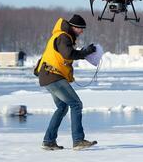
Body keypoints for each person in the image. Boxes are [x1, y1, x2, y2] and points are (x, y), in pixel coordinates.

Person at [35, 14, 97, 150]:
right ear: (74, 27)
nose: (82, 31)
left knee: (62, 107)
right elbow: (68, 54)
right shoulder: (63, 36)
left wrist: (82, 52)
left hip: (47, 76)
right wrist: (84, 52)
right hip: (53, 76)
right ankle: (78, 140)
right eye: (81, 29)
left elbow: (65, 54)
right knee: (76, 104)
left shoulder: (61, 36)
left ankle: (49, 141)